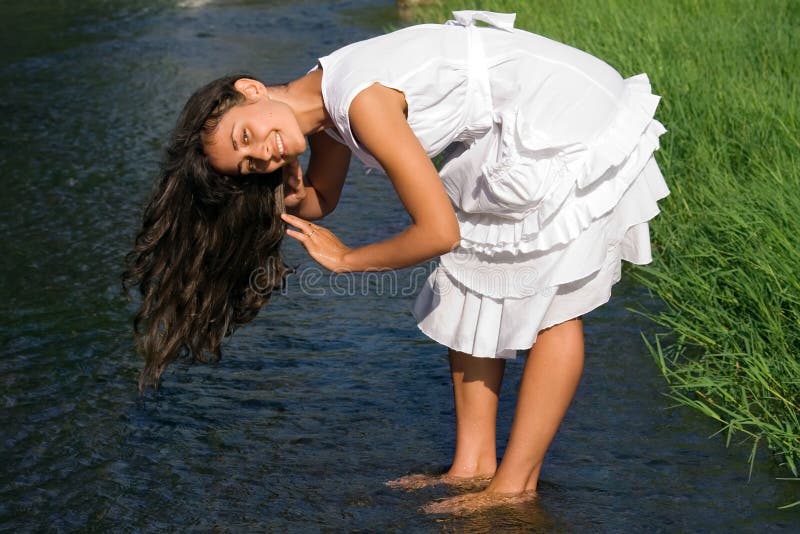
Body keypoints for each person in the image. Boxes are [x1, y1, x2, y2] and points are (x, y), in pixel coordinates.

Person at [122, 10, 669, 513]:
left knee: (551, 304)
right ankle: (472, 467)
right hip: (510, 130)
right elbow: (323, 196)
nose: (261, 152)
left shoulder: (359, 103)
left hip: (564, 115)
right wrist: (287, 187)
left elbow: (438, 232)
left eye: (247, 135)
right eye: (247, 165)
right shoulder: (321, 106)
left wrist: (348, 259)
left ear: (250, 89)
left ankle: (514, 487)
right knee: (472, 280)